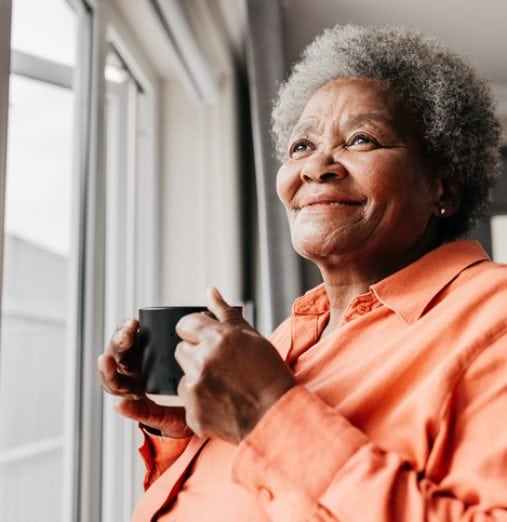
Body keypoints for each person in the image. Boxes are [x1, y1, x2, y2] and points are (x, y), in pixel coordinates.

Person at [98, 25, 507, 521]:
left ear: (442, 187)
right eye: (300, 147)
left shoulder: (494, 317)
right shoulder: (294, 333)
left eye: (362, 139)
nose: (317, 167)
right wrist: (185, 428)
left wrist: (268, 412)